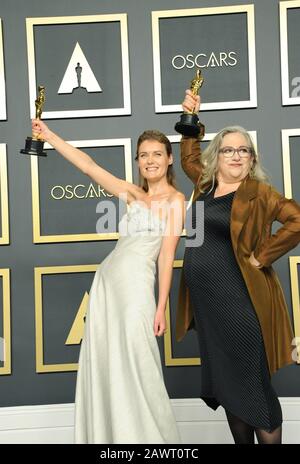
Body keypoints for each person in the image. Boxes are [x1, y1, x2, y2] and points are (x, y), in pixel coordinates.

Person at [32, 119, 185, 444]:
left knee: (138, 360)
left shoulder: (175, 201)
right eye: (143, 155)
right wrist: (49, 136)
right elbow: (88, 166)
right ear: (138, 161)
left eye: (157, 154)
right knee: (109, 362)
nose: (150, 160)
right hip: (108, 284)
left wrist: (161, 307)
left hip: (137, 288)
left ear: (169, 159)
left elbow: (167, 255)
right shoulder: (131, 193)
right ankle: (114, 437)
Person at [175, 89, 300, 445]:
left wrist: (263, 255)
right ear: (218, 156)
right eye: (228, 149)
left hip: (240, 306)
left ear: (251, 158)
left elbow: (297, 221)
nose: (235, 155)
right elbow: (188, 157)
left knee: (255, 390)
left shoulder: (259, 193)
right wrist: (191, 118)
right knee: (228, 389)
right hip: (209, 309)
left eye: (243, 150)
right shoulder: (206, 184)